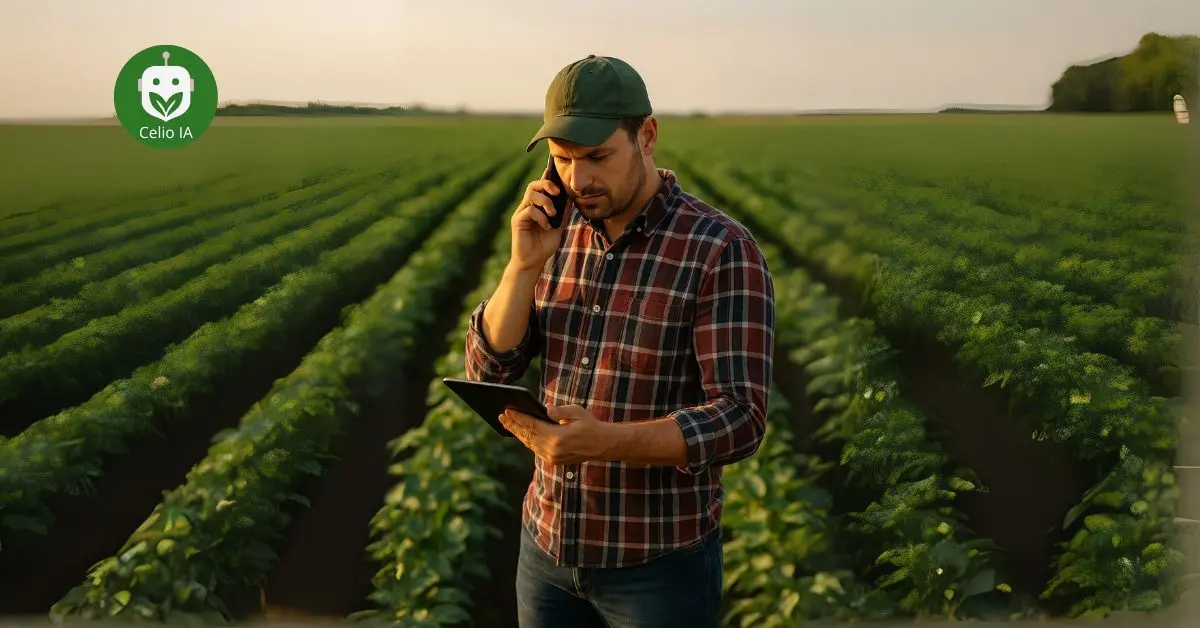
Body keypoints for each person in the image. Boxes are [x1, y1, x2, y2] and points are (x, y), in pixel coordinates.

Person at [463, 54, 775, 628]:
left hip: (658, 568)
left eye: (597, 157)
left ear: (647, 136)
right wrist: (522, 268)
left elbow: (740, 418)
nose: (579, 180)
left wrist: (606, 442)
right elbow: (490, 368)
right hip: (547, 549)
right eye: (562, 160)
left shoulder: (719, 250)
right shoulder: (557, 234)